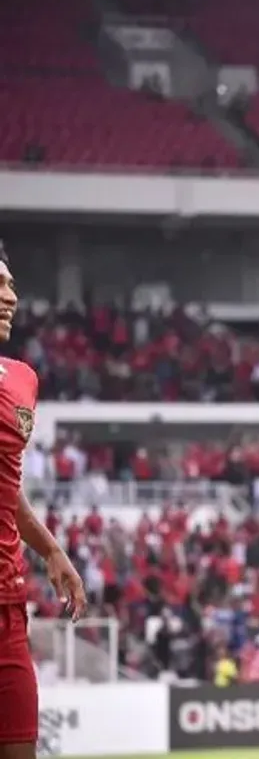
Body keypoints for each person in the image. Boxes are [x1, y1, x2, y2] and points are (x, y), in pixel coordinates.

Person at [0, 246, 87, 759]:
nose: (11, 296)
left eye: (10, 284)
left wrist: (52, 550)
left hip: (8, 609)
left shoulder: (22, 380)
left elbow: (7, 488)